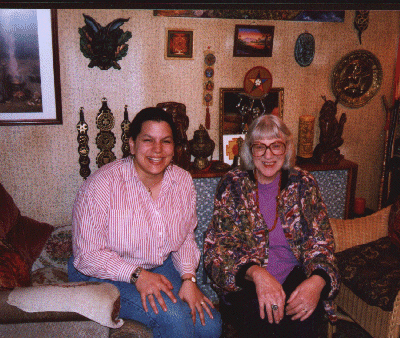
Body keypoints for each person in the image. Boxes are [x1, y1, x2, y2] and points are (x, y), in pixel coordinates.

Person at [68, 107, 222, 338]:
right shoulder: (100, 186)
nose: (157, 150)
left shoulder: (182, 181)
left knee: (209, 323)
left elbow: (185, 237)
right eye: (148, 140)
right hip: (102, 274)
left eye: (166, 141)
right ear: (132, 144)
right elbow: (87, 255)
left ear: (174, 147)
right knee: (175, 318)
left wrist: (189, 278)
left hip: (159, 266)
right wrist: (137, 275)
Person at [203, 114, 340, 338]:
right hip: (247, 278)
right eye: (260, 147)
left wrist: (317, 281)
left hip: (295, 273)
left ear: (286, 149)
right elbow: (216, 249)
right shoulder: (233, 185)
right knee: (265, 320)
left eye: (276, 146)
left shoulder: (303, 184)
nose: (268, 155)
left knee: (303, 320)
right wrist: (257, 274)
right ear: (250, 150)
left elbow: (322, 242)